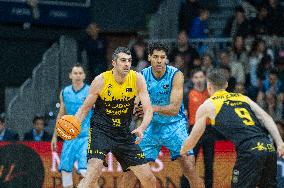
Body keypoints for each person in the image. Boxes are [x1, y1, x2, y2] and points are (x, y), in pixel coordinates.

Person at [181, 68, 284, 188]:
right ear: (226, 84)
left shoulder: (208, 105)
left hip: (249, 150)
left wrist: (182, 150)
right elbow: (266, 118)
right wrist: (280, 143)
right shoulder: (242, 98)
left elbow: (195, 137)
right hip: (268, 147)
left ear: (209, 86)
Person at [123, 42, 204, 188]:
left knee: (189, 168)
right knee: (131, 169)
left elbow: (174, 109)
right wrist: (132, 108)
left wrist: (151, 108)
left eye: (162, 57)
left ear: (166, 58)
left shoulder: (176, 75)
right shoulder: (141, 76)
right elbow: (134, 102)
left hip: (174, 125)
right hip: (151, 126)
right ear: (149, 57)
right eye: (155, 57)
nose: (159, 60)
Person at [74, 47, 156, 188]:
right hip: (101, 131)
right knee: (93, 172)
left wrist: (142, 128)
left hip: (123, 133)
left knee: (149, 179)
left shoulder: (137, 79)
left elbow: (148, 110)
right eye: (123, 60)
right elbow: (84, 109)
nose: (127, 64)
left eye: (129, 61)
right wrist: (73, 126)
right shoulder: (101, 81)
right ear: (114, 63)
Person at [50, 64, 92, 188]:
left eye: (80, 73)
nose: (78, 75)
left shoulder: (91, 91)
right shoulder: (65, 92)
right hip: (69, 137)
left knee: (86, 173)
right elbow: (61, 114)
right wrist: (54, 136)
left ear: (84, 75)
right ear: (70, 75)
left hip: (86, 137)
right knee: (66, 171)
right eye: (75, 73)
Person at [185, 69, 214, 188]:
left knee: (209, 164)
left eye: (201, 77)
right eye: (196, 77)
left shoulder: (211, 94)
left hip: (209, 131)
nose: (199, 80)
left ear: (205, 79)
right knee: (190, 164)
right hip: (193, 131)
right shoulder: (188, 94)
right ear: (192, 80)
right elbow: (184, 115)